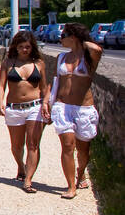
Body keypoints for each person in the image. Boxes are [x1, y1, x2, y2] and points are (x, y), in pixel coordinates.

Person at [43, 22, 102, 199]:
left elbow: (97, 48)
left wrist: (81, 40)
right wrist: (47, 101)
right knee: (67, 146)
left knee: (83, 150)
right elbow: (55, 82)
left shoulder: (89, 58)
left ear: (73, 37)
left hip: (84, 108)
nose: (60, 39)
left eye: (63, 36)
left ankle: (80, 172)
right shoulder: (62, 57)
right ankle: (71, 186)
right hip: (63, 106)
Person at [0, 29, 48, 194]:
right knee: (16, 146)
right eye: (21, 47)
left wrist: (46, 104)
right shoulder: (8, 63)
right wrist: (0, 102)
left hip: (35, 106)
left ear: (32, 47)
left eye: (27, 47)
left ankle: (28, 180)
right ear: (16, 47)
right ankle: (21, 166)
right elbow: (1, 85)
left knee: (33, 145)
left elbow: (44, 87)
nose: (24, 50)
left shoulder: (39, 63)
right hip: (14, 108)